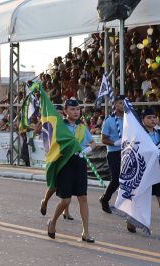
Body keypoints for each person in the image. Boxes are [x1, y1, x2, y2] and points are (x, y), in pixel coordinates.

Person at [47, 99, 96, 243]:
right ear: (65, 111)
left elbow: (93, 142)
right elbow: (54, 143)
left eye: (78, 109)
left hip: (80, 163)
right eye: (73, 109)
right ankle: (52, 221)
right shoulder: (61, 126)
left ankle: (86, 232)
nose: (76, 112)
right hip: (65, 164)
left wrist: (87, 149)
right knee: (66, 200)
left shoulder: (82, 127)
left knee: (83, 198)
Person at [126, 108, 160, 237]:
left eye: (154, 117)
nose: (153, 120)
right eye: (149, 117)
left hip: (159, 167)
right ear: (142, 120)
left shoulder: (159, 133)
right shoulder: (139, 134)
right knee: (139, 196)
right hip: (144, 168)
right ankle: (132, 218)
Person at [40, 104, 73, 220]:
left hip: (67, 158)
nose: (59, 115)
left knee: (68, 186)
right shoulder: (49, 125)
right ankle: (45, 201)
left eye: (60, 112)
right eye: (56, 112)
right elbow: (46, 142)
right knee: (53, 186)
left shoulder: (67, 124)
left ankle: (66, 211)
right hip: (55, 158)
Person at [99, 95, 125, 214]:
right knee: (116, 180)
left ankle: (125, 205)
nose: (123, 105)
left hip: (128, 152)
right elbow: (103, 139)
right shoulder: (109, 120)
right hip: (114, 153)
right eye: (120, 103)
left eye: (124, 102)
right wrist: (114, 142)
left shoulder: (130, 119)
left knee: (127, 180)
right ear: (114, 105)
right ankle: (105, 199)